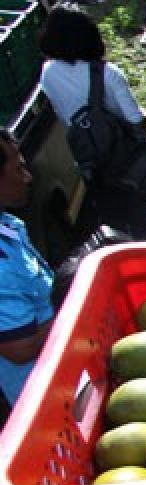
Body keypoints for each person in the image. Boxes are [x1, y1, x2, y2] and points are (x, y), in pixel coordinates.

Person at [38, 4, 146, 241]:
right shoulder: (108, 73)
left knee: (112, 221)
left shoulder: (48, 73)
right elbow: (135, 120)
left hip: (90, 161)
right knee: (141, 221)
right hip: (126, 163)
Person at [0, 129, 55, 409]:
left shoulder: (8, 224)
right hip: (38, 395)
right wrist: (68, 304)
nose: (28, 177)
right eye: (19, 169)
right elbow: (20, 348)